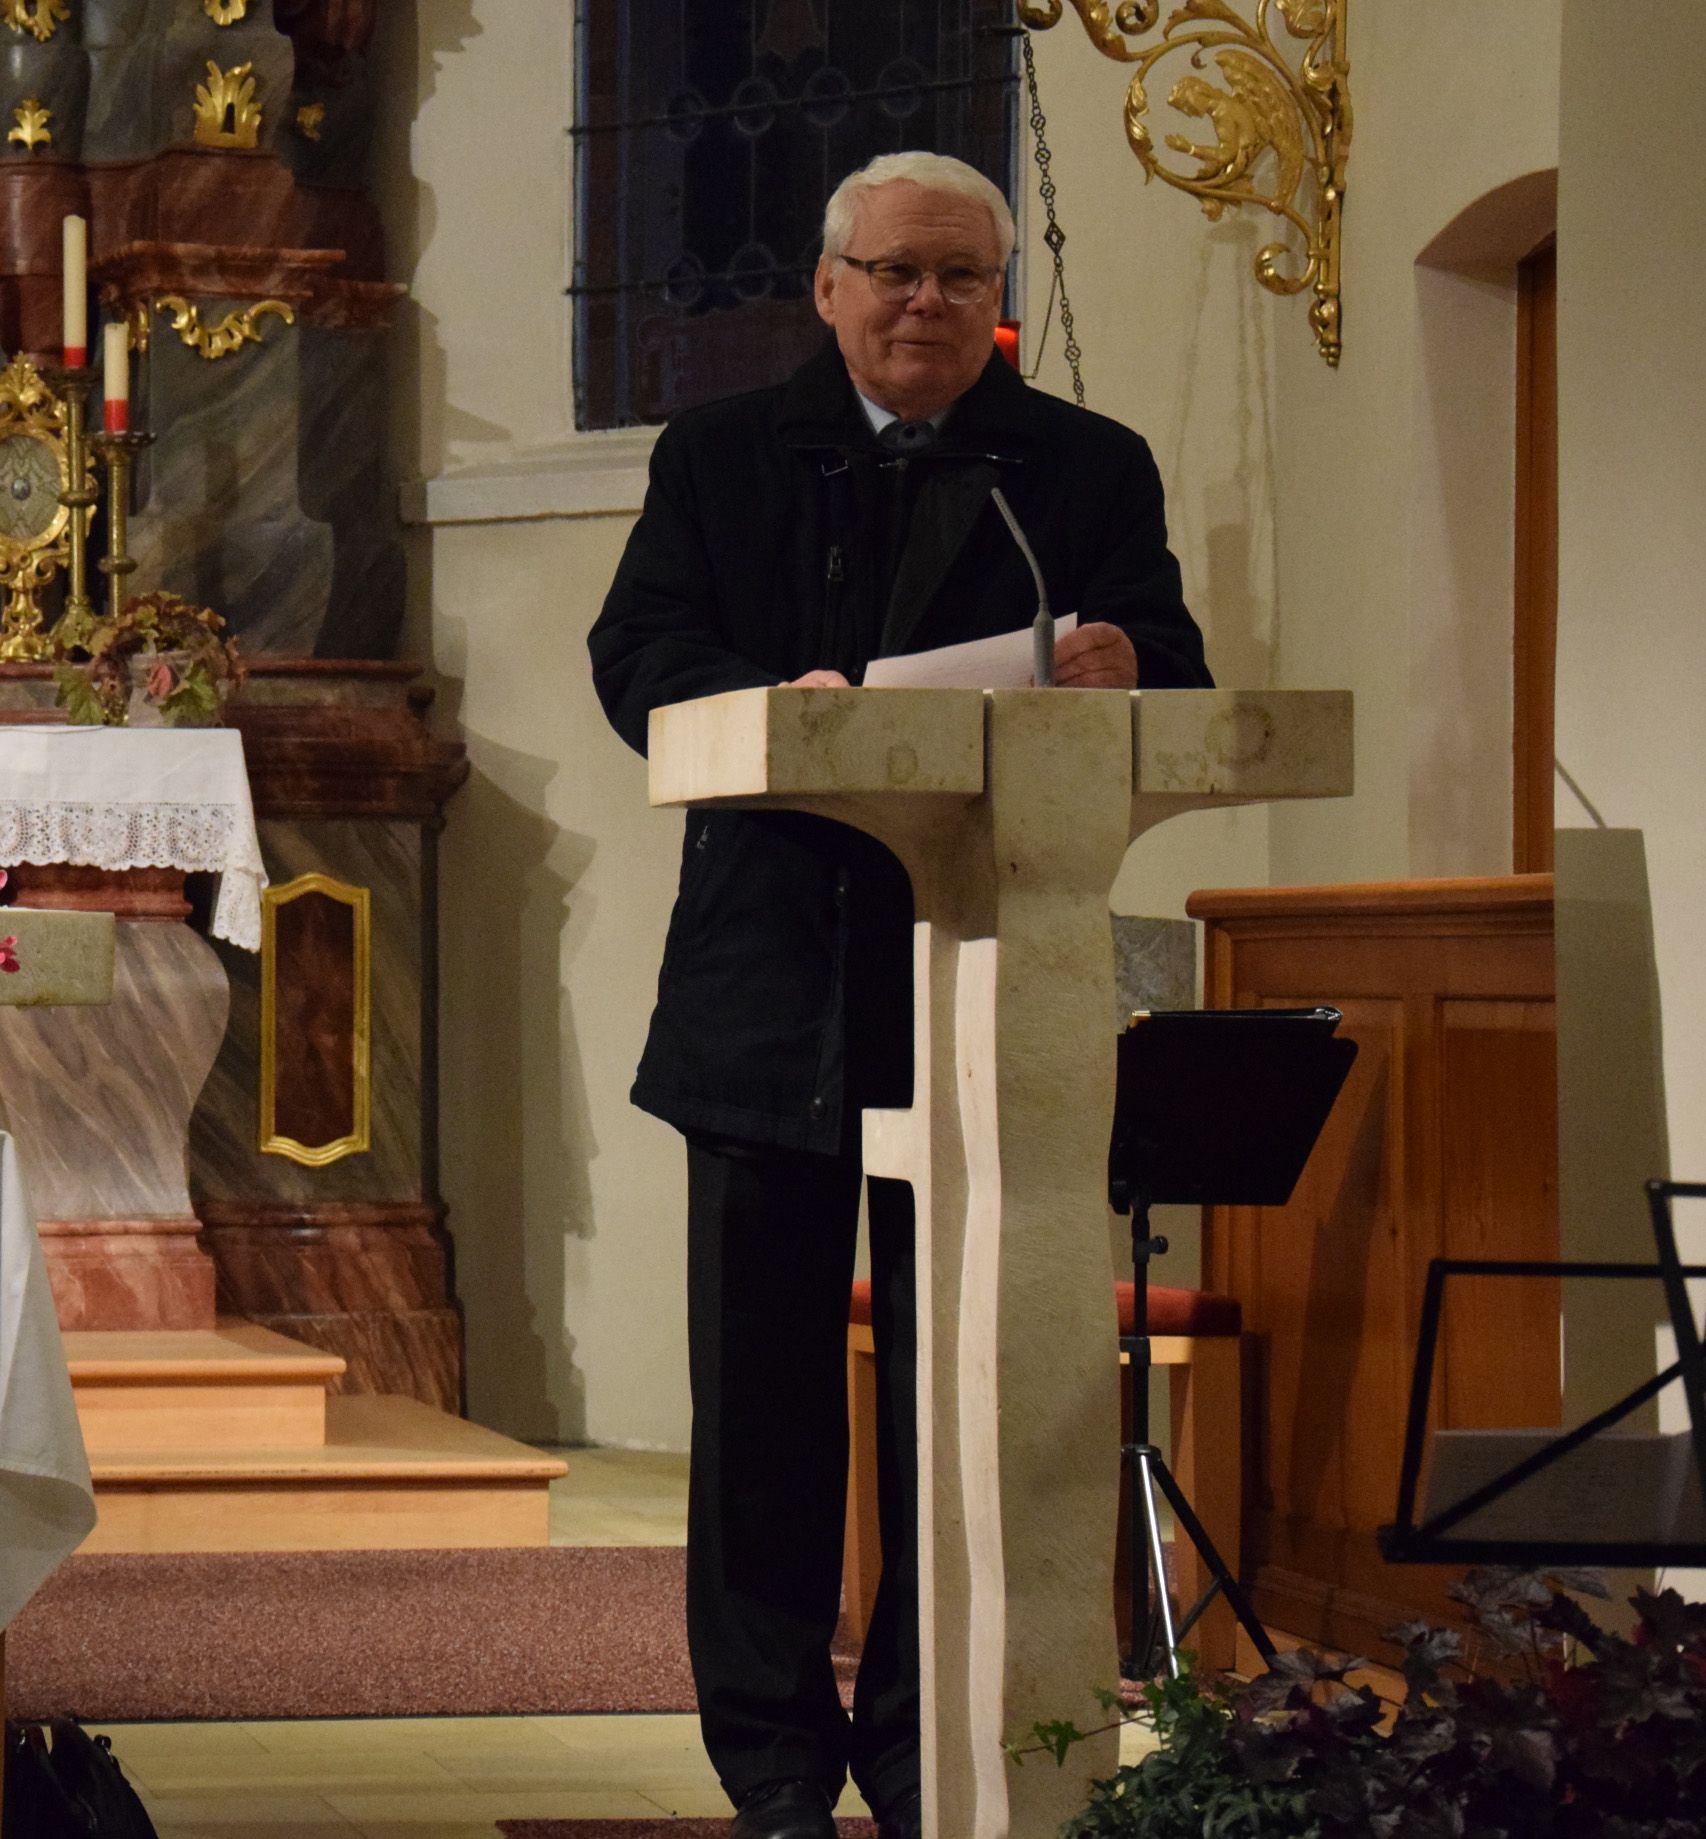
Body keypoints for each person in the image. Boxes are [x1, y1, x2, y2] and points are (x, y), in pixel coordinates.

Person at [587, 152, 1213, 1839]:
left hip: (984, 989)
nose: (925, 302)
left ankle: (932, 1733)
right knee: (764, 1407)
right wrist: (770, 701)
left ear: (994, 295)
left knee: (965, 1393)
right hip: (771, 979)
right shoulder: (721, 452)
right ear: (826, 286)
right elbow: (637, 661)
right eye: (893, 272)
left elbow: (1168, 662)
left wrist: (1126, 664)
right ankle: (774, 1759)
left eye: (959, 276)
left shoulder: (1078, 466)